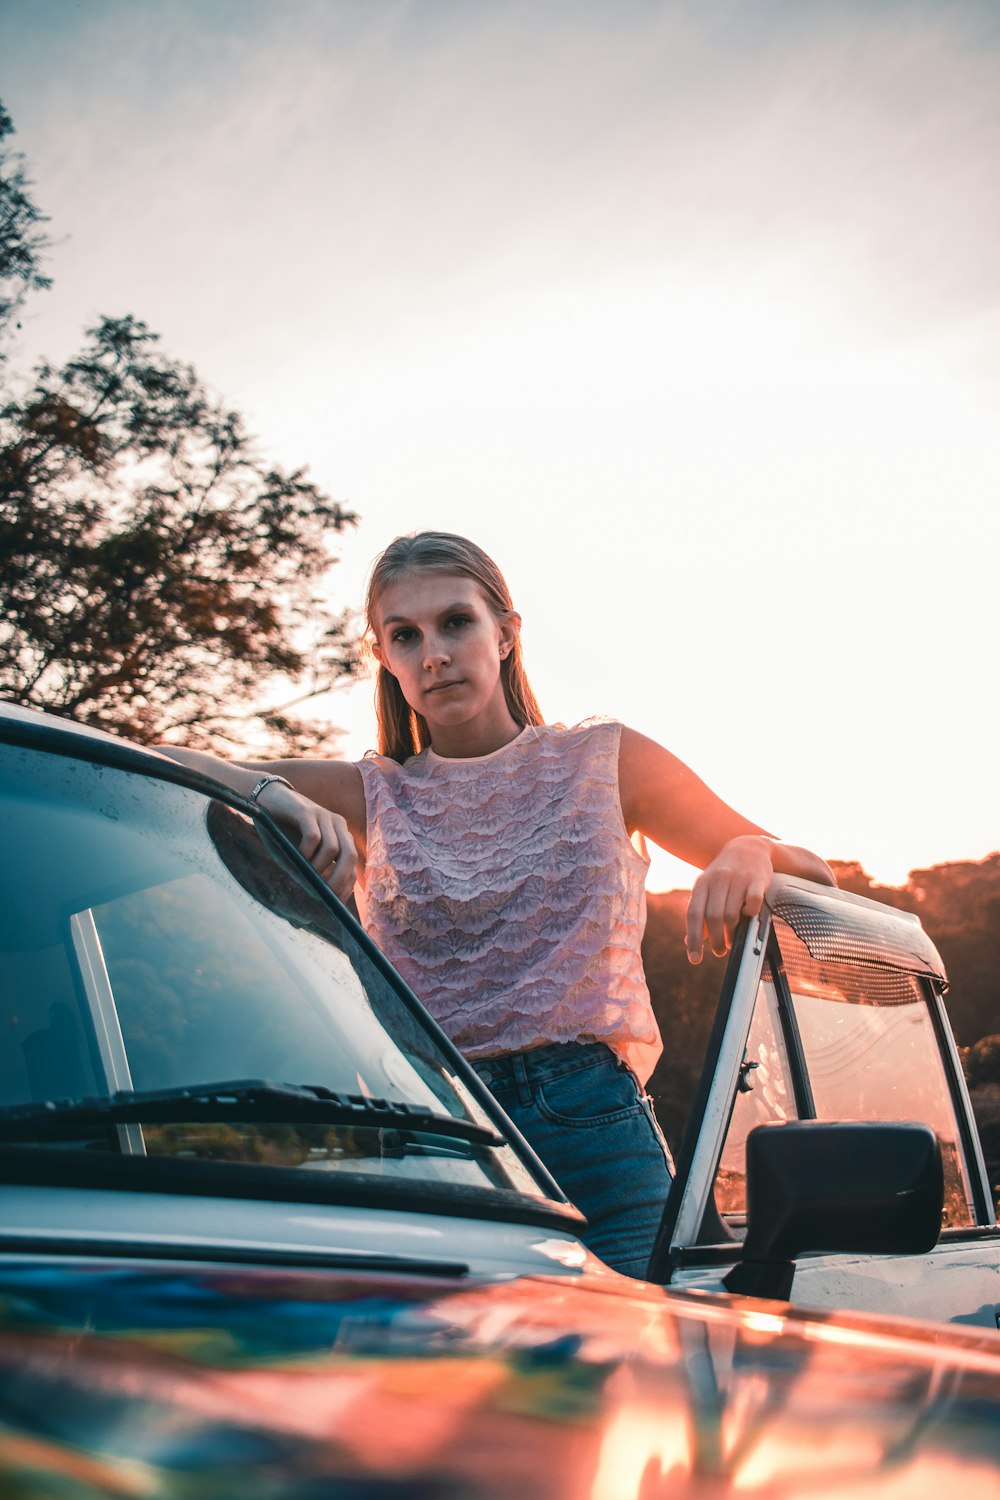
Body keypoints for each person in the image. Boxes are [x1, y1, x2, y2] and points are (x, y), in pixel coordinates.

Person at [160, 531, 835, 1278]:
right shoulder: (372, 792)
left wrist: (748, 849)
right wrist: (267, 790)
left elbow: (813, 876)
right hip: (434, 1134)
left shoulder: (604, 760)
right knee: (450, 1385)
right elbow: (154, 764)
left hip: (594, 1130)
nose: (434, 654)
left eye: (456, 622)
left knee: (642, 1375)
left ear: (506, 634)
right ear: (384, 657)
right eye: (405, 636)